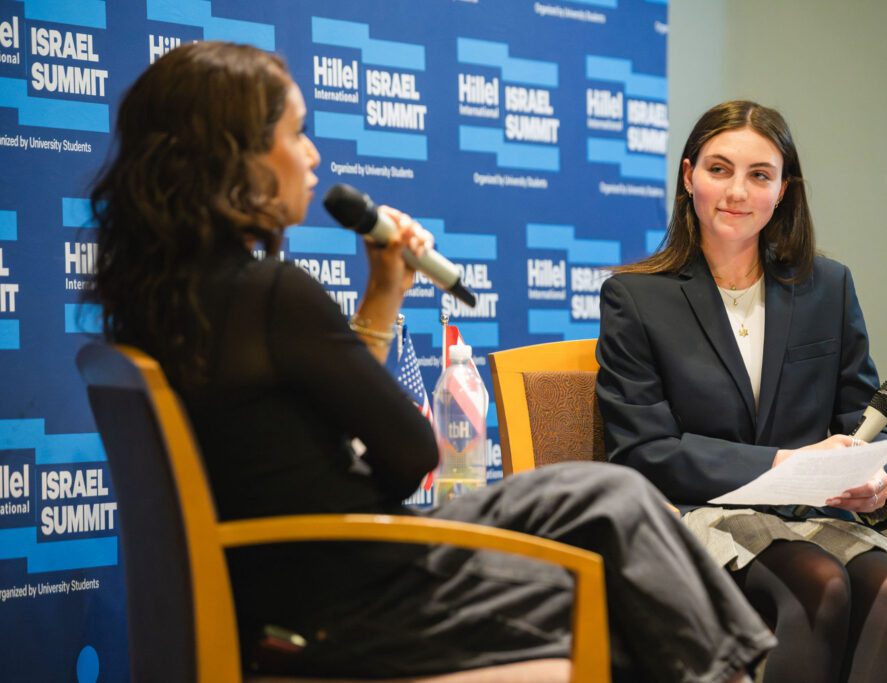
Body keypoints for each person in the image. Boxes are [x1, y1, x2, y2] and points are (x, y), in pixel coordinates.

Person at [88, 42, 775, 683]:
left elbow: (317, 428)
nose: (313, 155)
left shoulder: (162, 301)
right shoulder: (271, 293)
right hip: (357, 599)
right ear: (235, 157)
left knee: (607, 494)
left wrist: (384, 293)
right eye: (296, 134)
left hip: (306, 578)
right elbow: (408, 455)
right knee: (621, 586)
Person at [596, 100, 887, 683]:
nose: (737, 192)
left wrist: (878, 482)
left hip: (813, 519)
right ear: (688, 176)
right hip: (699, 514)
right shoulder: (636, 298)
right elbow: (643, 451)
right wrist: (782, 462)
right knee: (820, 584)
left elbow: (868, 418)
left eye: (759, 175)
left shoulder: (828, 286)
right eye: (719, 169)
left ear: (782, 191)